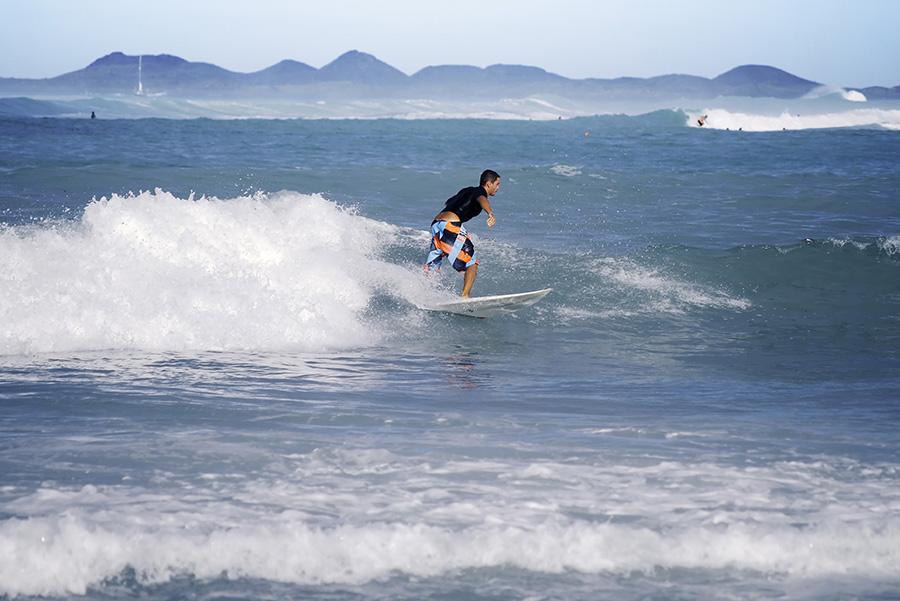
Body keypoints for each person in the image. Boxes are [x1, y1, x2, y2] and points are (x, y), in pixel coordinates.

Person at [424, 170, 500, 297]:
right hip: (450, 225)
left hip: (437, 224)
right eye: (497, 184)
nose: (498, 188)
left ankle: (426, 294)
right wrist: (490, 213)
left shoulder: (467, 190)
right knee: (471, 262)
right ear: (488, 184)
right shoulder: (480, 192)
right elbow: (482, 199)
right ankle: (465, 297)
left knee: (433, 266)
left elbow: (449, 202)